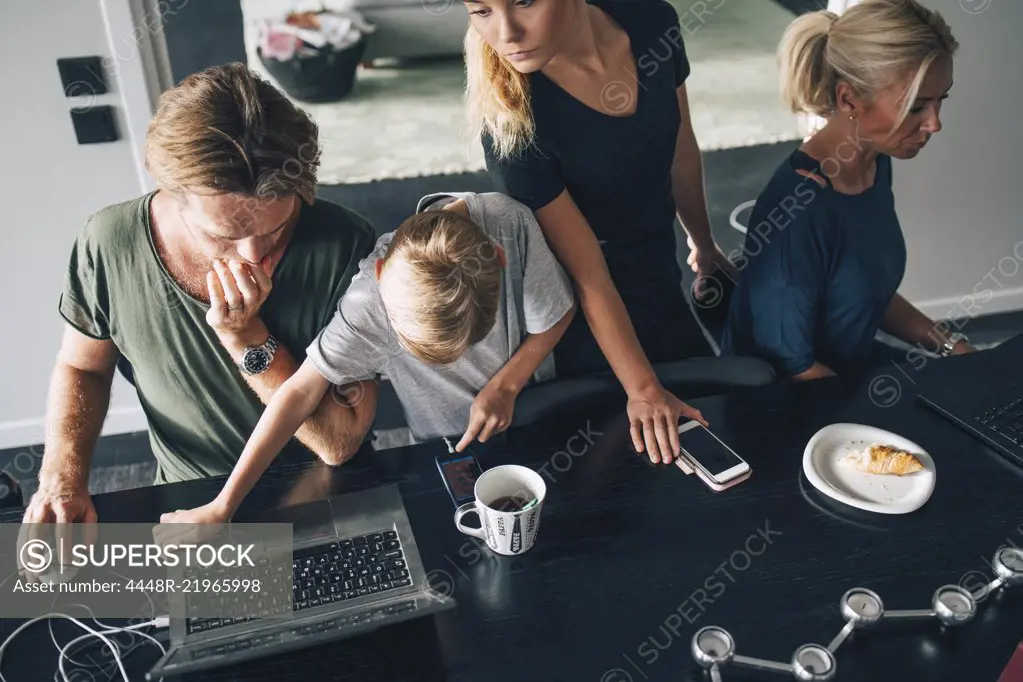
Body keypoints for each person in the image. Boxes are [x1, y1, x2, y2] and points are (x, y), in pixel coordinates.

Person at [22, 63, 379, 527]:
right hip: (187, 500)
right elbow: (82, 367)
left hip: (327, 497)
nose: (253, 252)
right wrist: (62, 478)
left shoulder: (347, 244)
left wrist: (248, 339)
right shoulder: (109, 242)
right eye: (224, 235)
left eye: (276, 228)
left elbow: (339, 440)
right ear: (170, 192)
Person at [160, 192, 576, 523]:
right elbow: (298, 393)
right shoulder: (370, 301)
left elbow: (557, 313)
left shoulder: (509, 224)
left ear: (498, 262)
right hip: (444, 443)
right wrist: (222, 507)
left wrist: (506, 385)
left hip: (537, 409)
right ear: (380, 277)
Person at [463, 0, 726, 465]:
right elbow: (587, 274)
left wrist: (704, 245)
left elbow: (681, 150)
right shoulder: (512, 125)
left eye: (525, 2)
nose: (507, 33)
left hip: (658, 272)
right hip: (577, 321)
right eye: (481, 10)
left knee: (719, 420)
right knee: (628, 476)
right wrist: (643, 389)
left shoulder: (652, 21)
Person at [722, 0, 976, 380]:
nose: (934, 124)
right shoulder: (799, 208)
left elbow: (863, 288)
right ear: (848, 100)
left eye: (942, 100)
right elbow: (793, 367)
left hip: (848, 369)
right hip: (790, 401)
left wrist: (952, 346)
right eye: (916, 107)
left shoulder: (875, 161)